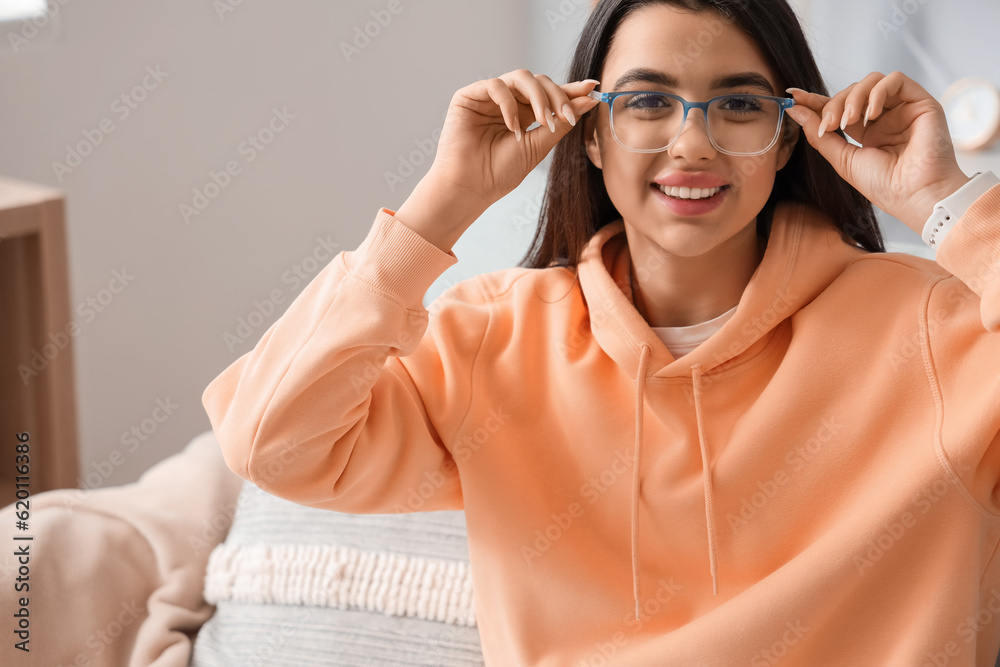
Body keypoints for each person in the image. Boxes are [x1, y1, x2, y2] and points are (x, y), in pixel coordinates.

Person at [201, 0, 1000, 664]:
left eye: (741, 104)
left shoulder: (925, 325)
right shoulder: (495, 336)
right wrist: (440, 204)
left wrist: (946, 198)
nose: (693, 142)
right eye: (648, 101)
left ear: (788, 136)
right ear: (588, 131)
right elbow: (274, 441)